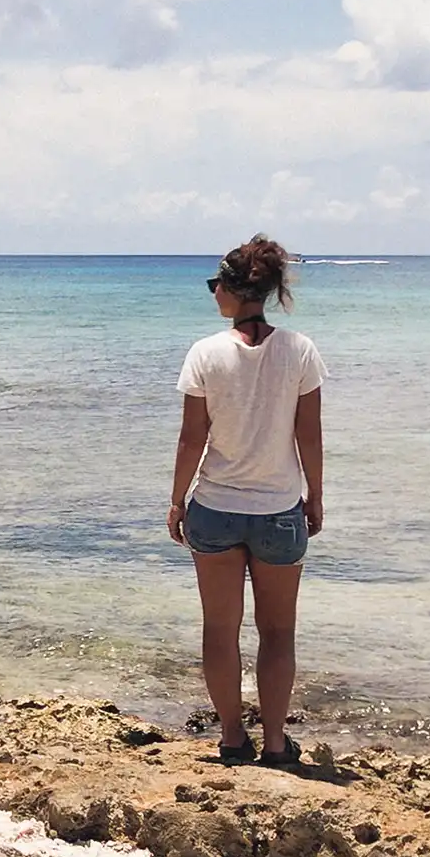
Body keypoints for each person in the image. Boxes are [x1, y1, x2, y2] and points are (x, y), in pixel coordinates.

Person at [167, 235, 326, 765]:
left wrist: (176, 500)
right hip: (279, 510)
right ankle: (277, 743)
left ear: (232, 291)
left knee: (220, 629)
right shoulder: (299, 351)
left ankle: (234, 737)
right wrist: (316, 497)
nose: (213, 294)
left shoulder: (205, 353)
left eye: (216, 285)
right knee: (278, 632)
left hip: (214, 507)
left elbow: (193, 438)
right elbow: (310, 434)